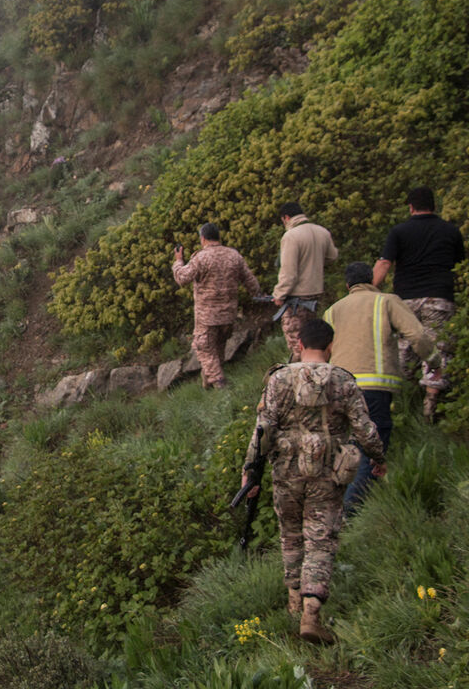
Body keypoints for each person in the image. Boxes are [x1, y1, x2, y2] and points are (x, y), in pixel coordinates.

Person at [241, 318, 385, 644]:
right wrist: (378, 458)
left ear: (299, 345)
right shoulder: (343, 381)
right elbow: (365, 429)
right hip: (328, 475)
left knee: (290, 536)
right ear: (331, 346)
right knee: (321, 539)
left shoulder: (278, 379)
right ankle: (311, 612)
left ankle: (294, 603)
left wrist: (250, 470)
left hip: (286, 473)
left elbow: (263, 430)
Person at [324, 262, 441, 513]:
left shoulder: (333, 310)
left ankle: (332, 508)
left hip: (336, 387)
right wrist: (434, 362)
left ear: (347, 286)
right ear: (374, 281)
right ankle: (351, 512)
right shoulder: (387, 301)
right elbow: (417, 336)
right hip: (373, 387)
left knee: (344, 447)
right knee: (370, 447)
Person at [372, 186, 465, 419]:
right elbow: (461, 267)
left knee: (405, 346)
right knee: (439, 348)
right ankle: (432, 401)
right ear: (434, 206)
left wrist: (368, 290)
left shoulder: (399, 232)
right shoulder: (451, 231)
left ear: (410, 207)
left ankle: (404, 397)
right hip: (439, 297)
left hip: (406, 300)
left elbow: (384, 264)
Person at [172, 222, 261, 388]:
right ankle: (208, 386)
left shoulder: (201, 258)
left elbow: (182, 278)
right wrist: (257, 295)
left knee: (203, 349)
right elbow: (250, 281)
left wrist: (178, 261)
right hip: (228, 314)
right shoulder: (234, 255)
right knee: (218, 349)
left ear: (203, 238)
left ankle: (220, 384)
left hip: (207, 317)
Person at [272, 202, 338, 361]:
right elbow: (333, 256)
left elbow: (289, 272)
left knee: (297, 343)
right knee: (313, 341)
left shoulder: (291, 236)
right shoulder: (322, 232)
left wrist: (279, 294)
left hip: (296, 300)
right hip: (316, 297)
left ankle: (299, 377)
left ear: (286, 218)